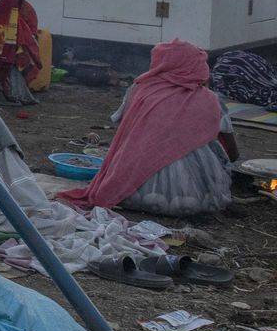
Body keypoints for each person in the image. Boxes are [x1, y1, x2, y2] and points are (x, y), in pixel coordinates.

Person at [63, 41, 239, 216]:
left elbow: (125, 129)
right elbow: (232, 151)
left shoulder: (140, 90)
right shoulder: (210, 100)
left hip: (131, 196)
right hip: (199, 201)